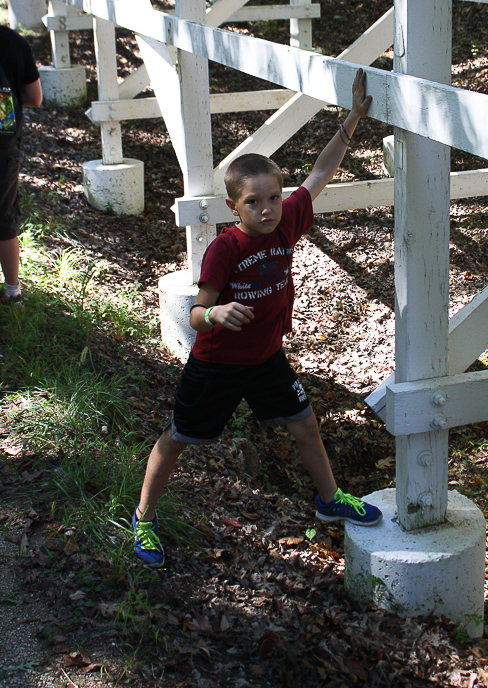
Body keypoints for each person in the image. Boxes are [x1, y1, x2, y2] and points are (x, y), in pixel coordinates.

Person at [133, 69, 382, 567]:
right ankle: (143, 517)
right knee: (179, 437)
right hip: (217, 365)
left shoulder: (288, 219)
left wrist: (351, 118)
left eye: (273, 198)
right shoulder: (226, 250)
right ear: (233, 206)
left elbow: (319, 174)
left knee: (305, 423)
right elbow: (199, 311)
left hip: (267, 358)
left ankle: (329, 501)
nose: (267, 209)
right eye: (254, 201)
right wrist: (217, 312)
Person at [0, 25, 42, 310]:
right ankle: (13, 292)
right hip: (3, 146)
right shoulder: (14, 43)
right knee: (4, 218)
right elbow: (35, 97)